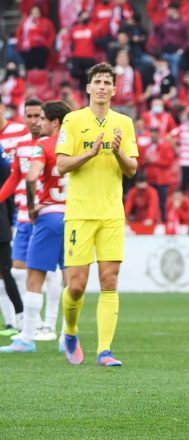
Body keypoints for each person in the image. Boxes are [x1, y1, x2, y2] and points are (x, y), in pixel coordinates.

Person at [56, 63, 139, 367]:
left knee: (109, 279)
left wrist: (116, 151)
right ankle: (71, 331)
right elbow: (61, 165)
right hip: (79, 213)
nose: (103, 86)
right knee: (76, 286)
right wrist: (90, 153)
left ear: (114, 89)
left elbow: (132, 169)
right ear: (88, 88)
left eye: (108, 82)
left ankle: (104, 350)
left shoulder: (124, 123)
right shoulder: (73, 120)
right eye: (98, 82)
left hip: (111, 214)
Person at [0, 102, 70, 353]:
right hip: (28, 216)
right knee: (22, 271)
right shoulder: (22, 145)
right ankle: (55, 331)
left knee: (43, 275)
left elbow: (30, 178)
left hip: (43, 213)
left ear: (51, 121)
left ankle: (44, 327)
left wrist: (33, 205)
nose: (35, 121)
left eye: (39, 117)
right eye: (31, 116)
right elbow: (15, 177)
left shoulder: (45, 146)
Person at [16, 5, 55, 71]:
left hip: (41, 48)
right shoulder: (25, 22)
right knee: (28, 67)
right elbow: (19, 33)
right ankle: (29, 80)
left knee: (40, 67)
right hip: (27, 48)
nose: (35, 13)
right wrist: (20, 43)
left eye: (37, 11)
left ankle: (41, 80)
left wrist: (48, 45)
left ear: (40, 12)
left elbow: (52, 34)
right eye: (33, 11)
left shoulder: (46, 22)